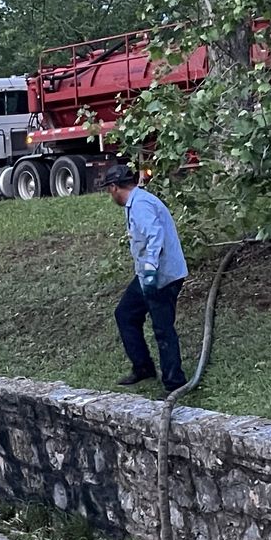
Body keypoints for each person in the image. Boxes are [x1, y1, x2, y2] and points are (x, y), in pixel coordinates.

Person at [99, 164, 188, 392]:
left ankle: (174, 381)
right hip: (148, 275)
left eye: (109, 190)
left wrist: (150, 270)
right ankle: (143, 367)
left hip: (161, 276)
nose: (110, 195)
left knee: (162, 327)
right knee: (126, 314)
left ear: (114, 187)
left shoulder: (141, 205)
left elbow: (154, 236)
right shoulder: (136, 202)